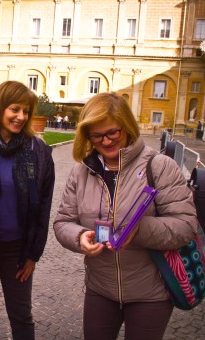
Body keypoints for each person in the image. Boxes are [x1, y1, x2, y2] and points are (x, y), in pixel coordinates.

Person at [53, 92, 198, 340]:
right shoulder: (81, 171)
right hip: (100, 289)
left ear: (127, 127)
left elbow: (185, 226)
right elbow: (63, 221)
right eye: (96, 135)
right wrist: (80, 237)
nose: (106, 141)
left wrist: (138, 230)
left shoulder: (159, 166)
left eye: (113, 133)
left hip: (151, 293)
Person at [0, 80, 55, 340]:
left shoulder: (39, 151)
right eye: (14, 109)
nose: (21, 117)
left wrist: (34, 253)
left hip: (17, 247)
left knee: (21, 315)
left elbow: (43, 206)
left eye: (26, 111)